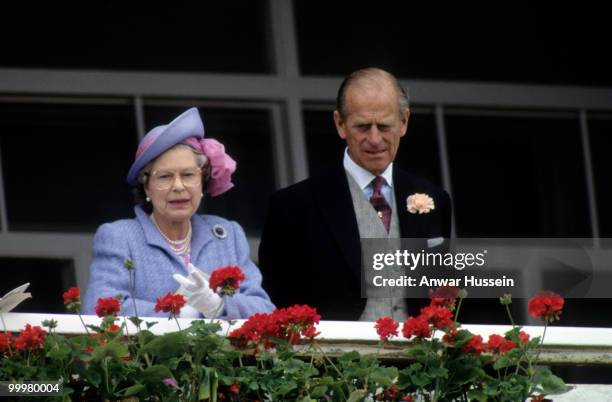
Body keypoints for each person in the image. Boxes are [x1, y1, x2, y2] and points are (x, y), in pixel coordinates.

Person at [258, 68, 452, 321]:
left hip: (417, 355)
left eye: (384, 126)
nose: (374, 139)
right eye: (362, 127)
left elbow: (441, 292)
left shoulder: (435, 199)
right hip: (332, 357)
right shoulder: (293, 205)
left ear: (403, 122)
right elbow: (278, 301)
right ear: (340, 124)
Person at [83, 108, 275, 319]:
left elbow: (264, 309)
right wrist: (177, 313)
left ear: (202, 181)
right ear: (146, 187)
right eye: (164, 177)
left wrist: (218, 306)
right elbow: (98, 310)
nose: (178, 186)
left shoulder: (227, 235)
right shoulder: (120, 237)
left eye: (188, 175)